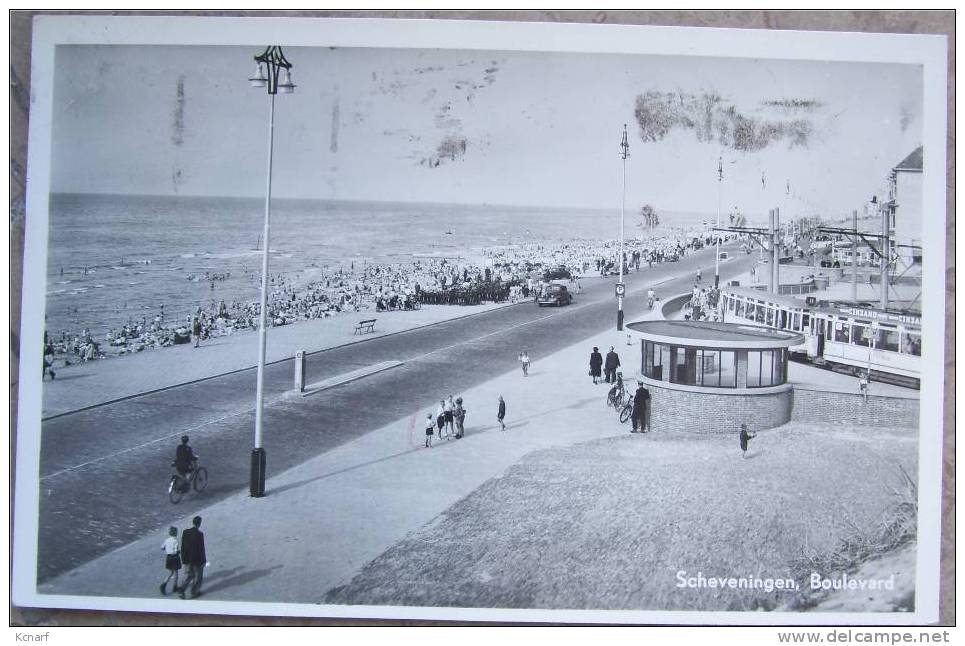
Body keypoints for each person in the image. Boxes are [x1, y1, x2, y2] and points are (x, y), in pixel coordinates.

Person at [177, 516, 207, 599]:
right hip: (197, 560)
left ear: (193, 522)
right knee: (198, 577)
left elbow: (183, 546)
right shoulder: (200, 534)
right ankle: (194, 592)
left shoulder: (185, 532)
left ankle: (181, 590)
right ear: (199, 524)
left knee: (189, 576)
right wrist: (204, 560)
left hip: (187, 559)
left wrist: (183, 558)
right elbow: (201, 549)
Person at [160, 526, 181, 595]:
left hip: (168, 557)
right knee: (176, 572)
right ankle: (175, 586)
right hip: (175, 557)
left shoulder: (167, 540)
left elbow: (162, 547)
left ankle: (164, 584)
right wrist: (179, 552)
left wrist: (167, 549)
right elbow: (176, 550)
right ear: (176, 533)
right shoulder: (176, 540)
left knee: (170, 572)